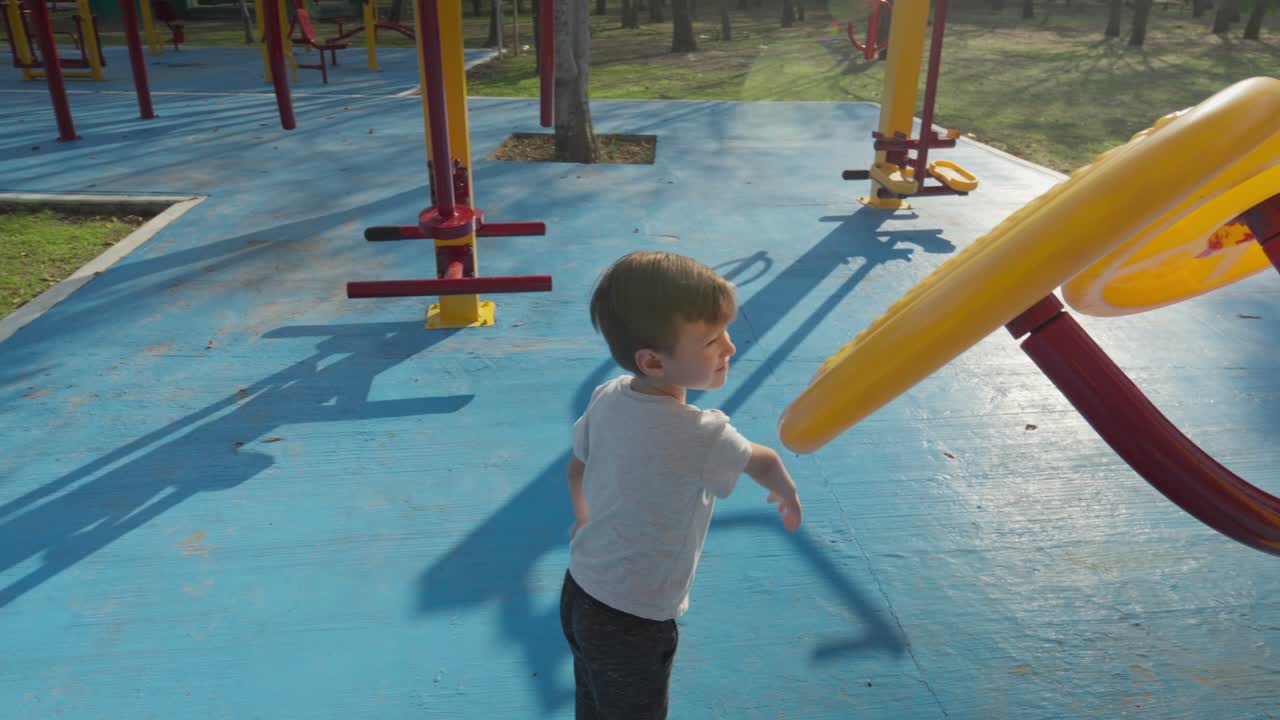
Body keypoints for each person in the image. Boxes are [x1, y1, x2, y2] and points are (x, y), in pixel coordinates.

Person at [560, 251, 802, 719]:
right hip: (636, 617)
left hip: (580, 591)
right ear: (653, 361)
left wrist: (583, 519)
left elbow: (577, 467)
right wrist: (787, 493)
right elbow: (764, 460)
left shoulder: (607, 395)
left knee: (592, 701)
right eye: (713, 340)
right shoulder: (702, 434)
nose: (730, 348)